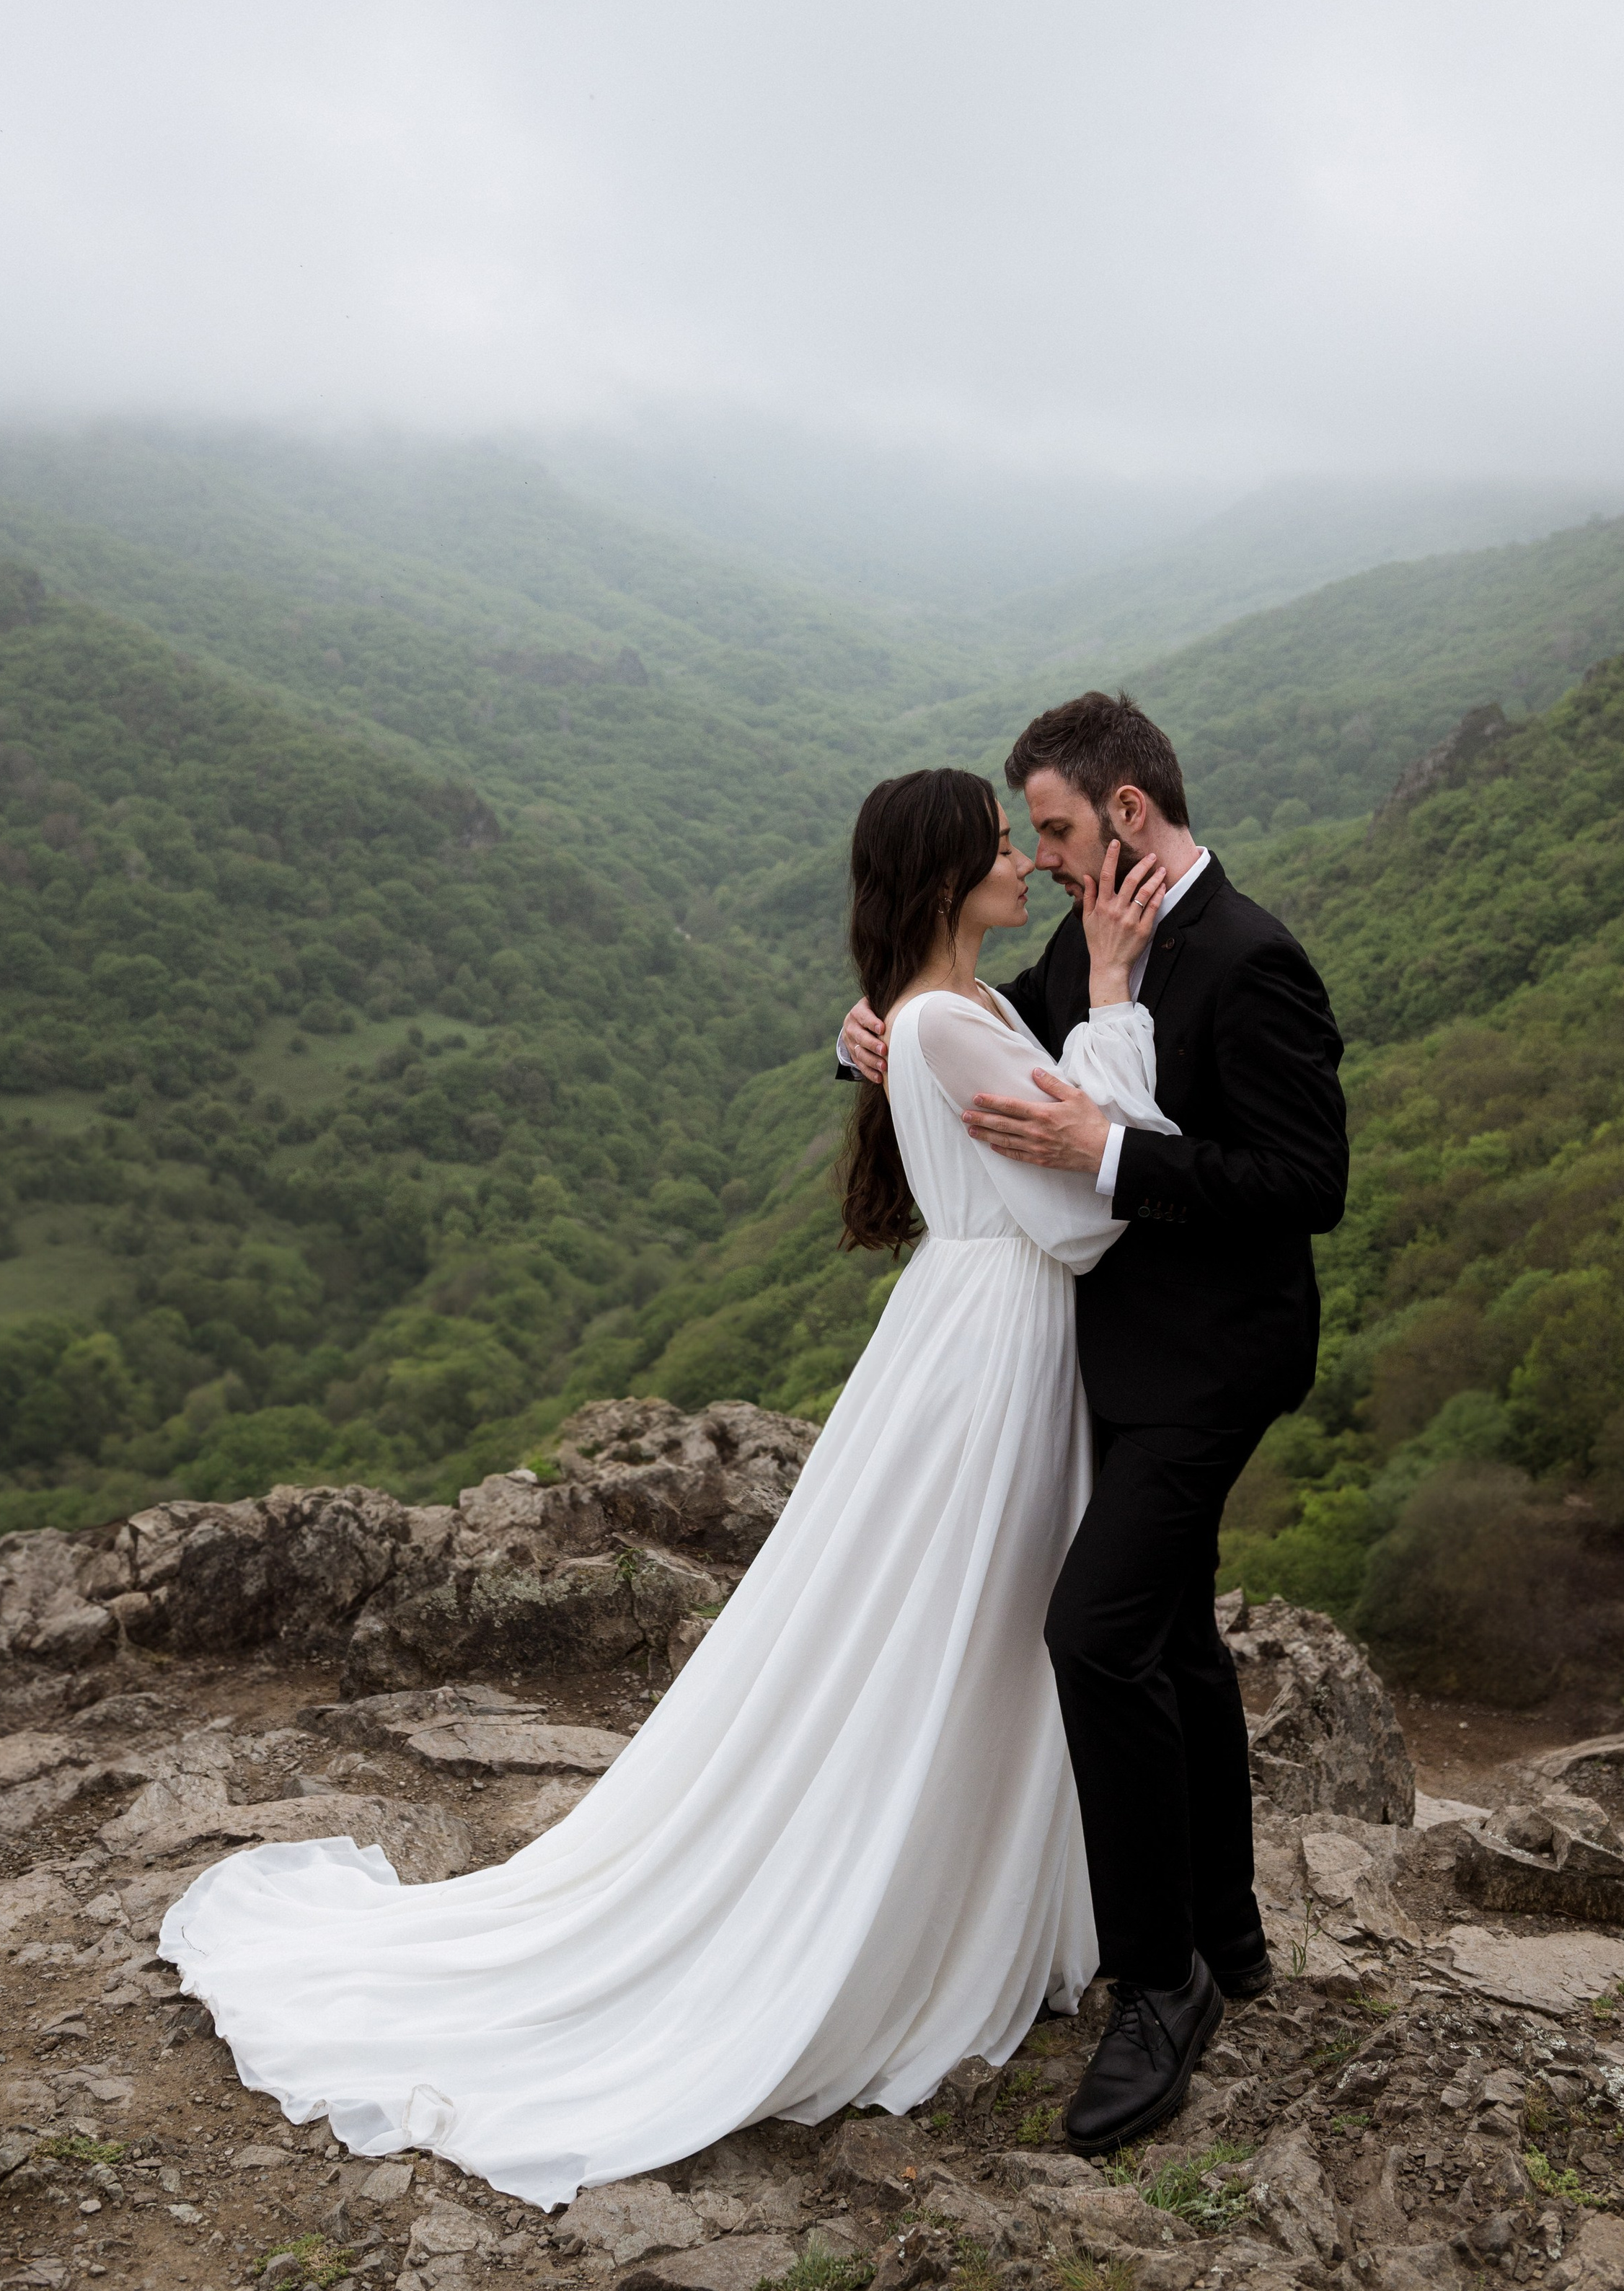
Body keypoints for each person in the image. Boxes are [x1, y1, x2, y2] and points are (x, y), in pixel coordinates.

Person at [159, 768, 1179, 2211]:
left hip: (973, 1340)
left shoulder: (945, 1011)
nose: (1022, 858)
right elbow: (1083, 1218)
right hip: (992, 1345)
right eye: (999, 842)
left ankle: (968, 1887)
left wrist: (1062, 1033)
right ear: (947, 872)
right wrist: (1117, 1001)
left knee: (965, 1630)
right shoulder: (951, 1019)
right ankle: (911, 1904)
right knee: (960, 1628)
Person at [839, 693, 1348, 2155]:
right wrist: (867, 1031)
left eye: (1055, 829)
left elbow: (1302, 1181)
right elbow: (985, 1040)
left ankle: (1159, 1981)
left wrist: (1110, 1151)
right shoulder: (1083, 940)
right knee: (1173, 1635)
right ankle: (1228, 1931)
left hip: (1209, 1362)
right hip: (1093, 1355)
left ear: (1124, 814)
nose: (1044, 858)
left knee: (1094, 1633)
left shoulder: (1253, 959)